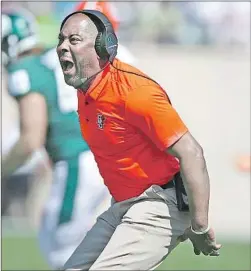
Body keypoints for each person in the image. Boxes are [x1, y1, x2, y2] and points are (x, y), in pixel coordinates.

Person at [57, 9, 222, 270]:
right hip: (124, 204)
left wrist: (199, 226)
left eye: (73, 40)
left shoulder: (135, 92)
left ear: (103, 47)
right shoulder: (85, 90)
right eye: (61, 40)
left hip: (159, 201)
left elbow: (192, 153)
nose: (62, 47)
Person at [1, 7, 111, 269]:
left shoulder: (23, 71)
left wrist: (3, 167)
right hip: (100, 156)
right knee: (68, 242)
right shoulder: (53, 58)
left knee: (59, 246)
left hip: (76, 163)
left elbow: (31, 137)